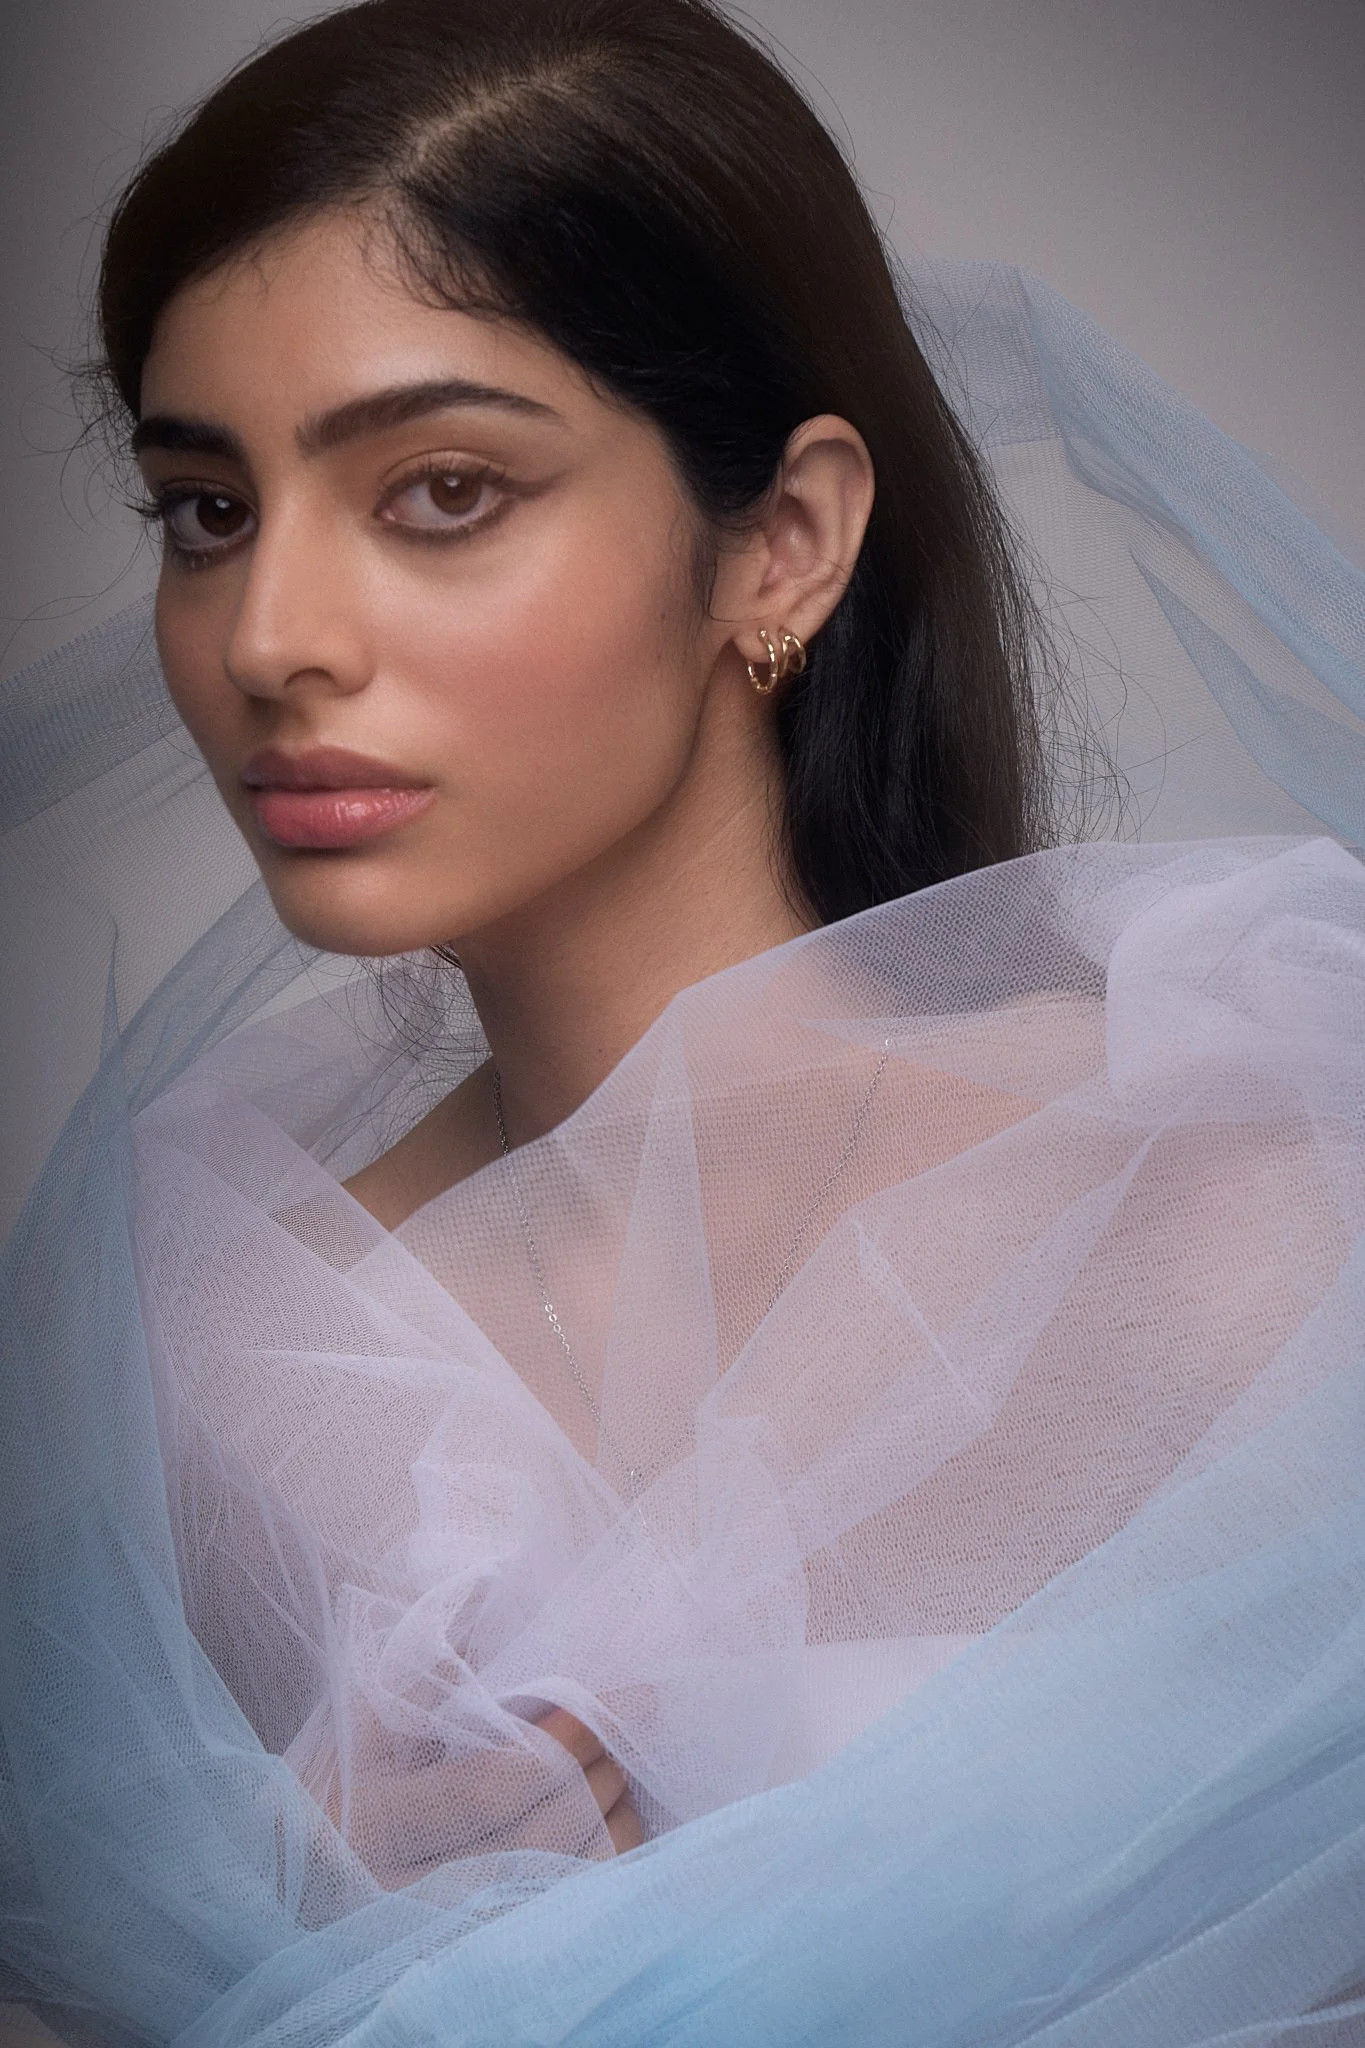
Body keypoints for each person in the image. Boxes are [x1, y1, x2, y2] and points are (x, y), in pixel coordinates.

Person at [2, 1, 1363, 2041]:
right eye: (208, 510)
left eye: (440, 490)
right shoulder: (210, 1361)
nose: (270, 637)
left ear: (783, 546)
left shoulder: (1231, 1214)